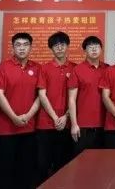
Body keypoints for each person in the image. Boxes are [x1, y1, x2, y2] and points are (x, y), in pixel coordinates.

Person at [0, 32, 41, 189]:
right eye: (18, 45)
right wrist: (14, 117)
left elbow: (41, 96)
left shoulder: (37, 68)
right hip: (5, 129)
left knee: (26, 172)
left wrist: (28, 115)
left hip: (29, 128)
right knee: (4, 172)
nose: (21, 48)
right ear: (12, 47)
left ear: (30, 47)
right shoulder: (4, 67)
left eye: (25, 45)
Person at [36, 32, 77, 184]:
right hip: (46, 124)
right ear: (51, 48)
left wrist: (65, 117)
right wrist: (55, 117)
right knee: (43, 165)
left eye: (62, 44)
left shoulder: (75, 68)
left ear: (67, 46)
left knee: (65, 165)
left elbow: (76, 98)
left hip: (67, 125)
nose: (59, 48)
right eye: (55, 45)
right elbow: (42, 95)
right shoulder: (44, 68)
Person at [68, 36, 108, 155]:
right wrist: (74, 124)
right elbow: (71, 99)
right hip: (83, 125)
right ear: (84, 50)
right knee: (82, 162)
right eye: (90, 47)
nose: (94, 49)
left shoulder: (108, 69)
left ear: (101, 49)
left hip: (106, 125)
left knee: (104, 162)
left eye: (97, 46)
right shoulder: (77, 69)